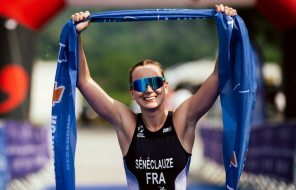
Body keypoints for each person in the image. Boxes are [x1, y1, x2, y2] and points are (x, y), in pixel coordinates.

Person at [72, 4, 237, 190]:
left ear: (165, 87)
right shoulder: (127, 124)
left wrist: (227, 30)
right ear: (132, 93)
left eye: (155, 83)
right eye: (141, 85)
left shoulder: (182, 120)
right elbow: (84, 81)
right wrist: (76, 35)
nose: (149, 90)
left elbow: (218, 75)